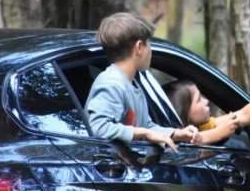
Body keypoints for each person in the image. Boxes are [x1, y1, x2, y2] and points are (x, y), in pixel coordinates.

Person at [85, 12, 201, 151]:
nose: (150, 50)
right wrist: (145, 133)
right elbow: (99, 128)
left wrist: (176, 134)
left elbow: (146, 126)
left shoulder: (132, 84)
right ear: (139, 47)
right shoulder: (111, 83)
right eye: (148, 44)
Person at [164, 64, 250, 144]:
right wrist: (219, 133)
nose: (206, 101)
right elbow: (190, 141)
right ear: (185, 111)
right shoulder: (174, 140)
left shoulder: (204, 126)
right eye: (198, 100)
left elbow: (244, 114)